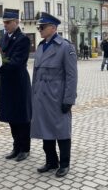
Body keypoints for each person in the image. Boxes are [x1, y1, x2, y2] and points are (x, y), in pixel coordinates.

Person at [31, 12, 78, 177]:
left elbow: (72, 76)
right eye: (39, 27)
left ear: (53, 27)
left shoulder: (65, 47)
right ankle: (51, 161)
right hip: (41, 97)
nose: (40, 30)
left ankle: (64, 164)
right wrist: (33, 95)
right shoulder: (40, 46)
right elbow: (35, 74)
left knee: (62, 131)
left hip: (57, 97)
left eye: (42, 27)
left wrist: (69, 99)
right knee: (45, 130)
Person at [0, 8, 32, 162]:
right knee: (11, 117)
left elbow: (16, 62)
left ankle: (25, 148)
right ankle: (16, 147)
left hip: (19, 83)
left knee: (22, 118)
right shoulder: (3, 38)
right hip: (6, 82)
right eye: (4, 22)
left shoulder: (23, 39)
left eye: (8, 22)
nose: (5, 25)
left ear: (17, 22)